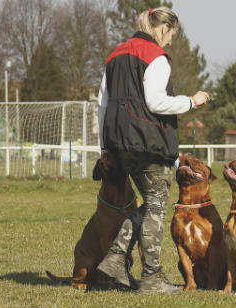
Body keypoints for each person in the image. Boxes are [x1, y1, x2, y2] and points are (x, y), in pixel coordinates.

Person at [96, 7, 210, 294]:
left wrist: (105, 146)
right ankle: (150, 278)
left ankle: (115, 260)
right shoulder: (155, 57)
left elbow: (102, 103)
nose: (170, 41)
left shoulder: (116, 54)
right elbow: (157, 103)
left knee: (151, 204)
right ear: (163, 28)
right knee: (156, 206)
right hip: (147, 141)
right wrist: (191, 101)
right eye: (172, 34)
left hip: (118, 142)